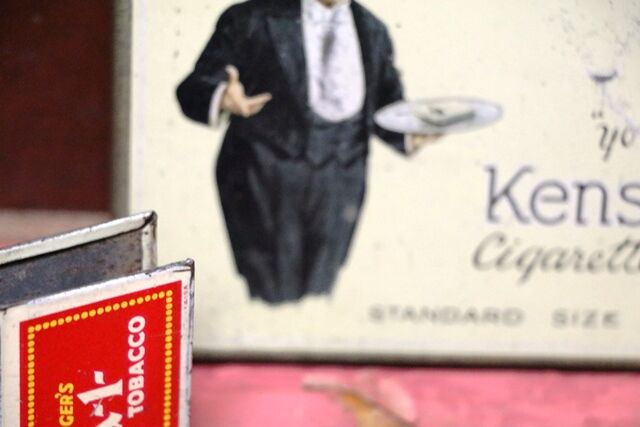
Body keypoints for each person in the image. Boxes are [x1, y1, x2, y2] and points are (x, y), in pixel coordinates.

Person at [176, 0, 438, 304]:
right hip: (265, 177)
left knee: (321, 290)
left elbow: (384, 106)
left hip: (342, 180)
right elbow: (193, 88)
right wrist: (222, 96)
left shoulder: (373, 29)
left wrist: (411, 134)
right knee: (271, 293)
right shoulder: (250, 18)